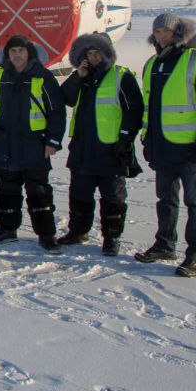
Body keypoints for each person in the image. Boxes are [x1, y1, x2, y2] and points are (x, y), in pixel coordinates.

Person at [134, 14, 196, 277]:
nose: (162, 36)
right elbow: (149, 107)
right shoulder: (153, 63)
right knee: (165, 200)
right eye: (158, 31)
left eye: (166, 31)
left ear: (179, 32)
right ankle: (164, 244)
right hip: (163, 147)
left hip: (191, 149)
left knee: (195, 203)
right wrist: (147, 139)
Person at [0, 35, 67, 252]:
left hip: (34, 145)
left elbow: (57, 112)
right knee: (7, 190)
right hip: (4, 144)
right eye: (13, 51)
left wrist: (53, 141)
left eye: (21, 51)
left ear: (29, 53)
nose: (17, 55)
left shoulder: (43, 77)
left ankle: (46, 234)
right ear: (7, 54)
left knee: (39, 191)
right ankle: (8, 229)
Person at [58, 33, 143, 256]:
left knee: (113, 197)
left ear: (107, 53)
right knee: (79, 193)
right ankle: (78, 231)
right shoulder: (83, 77)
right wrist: (78, 76)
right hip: (83, 148)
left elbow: (133, 110)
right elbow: (65, 98)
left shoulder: (120, 76)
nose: (94, 57)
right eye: (89, 53)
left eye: (97, 52)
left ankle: (112, 237)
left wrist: (125, 139)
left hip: (110, 148)